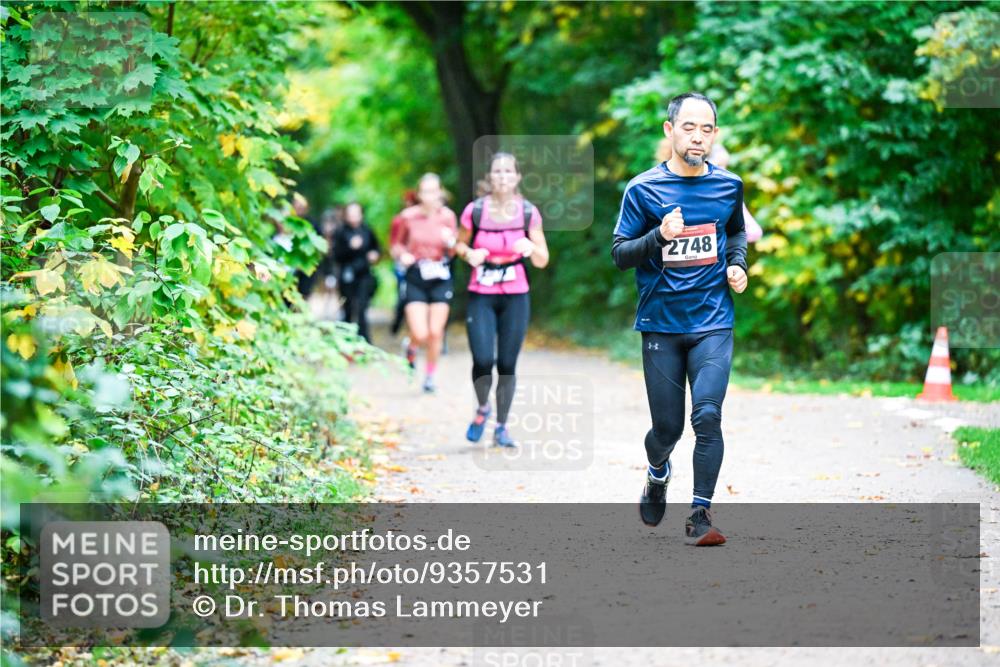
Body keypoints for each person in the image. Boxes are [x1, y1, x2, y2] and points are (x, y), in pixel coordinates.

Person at [612, 92, 749, 546]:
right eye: (689, 127)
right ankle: (657, 472)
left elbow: (735, 231)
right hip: (661, 325)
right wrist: (658, 236)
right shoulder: (642, 189)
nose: (698, 136)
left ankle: (700, 514)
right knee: (668, 429)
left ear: (715, 135)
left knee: (708, 416)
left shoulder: (729, 185)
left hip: (712, 321)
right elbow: (619, 254)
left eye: (707, 129)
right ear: (670, 131)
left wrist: (737, 264)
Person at [454, 153, 550, 448]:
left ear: (517, 177)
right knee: (483, 359)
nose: (503, 176)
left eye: (509, 171)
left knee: (507, 363)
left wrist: (530, 245)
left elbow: (543, 259)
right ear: (490, 177)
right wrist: (469, 254)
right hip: (482, 293)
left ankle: (502, 427)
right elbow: (459, 243)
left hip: (515, 295)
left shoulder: (528, 213)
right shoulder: (476, 211)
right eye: (497, 171)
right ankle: (483, 407)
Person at [390, 173, 457, 393]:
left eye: (434, 191)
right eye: (425, 191)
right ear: (419, 194)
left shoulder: (448, 217)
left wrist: (451, 243)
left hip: (439, 275)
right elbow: (396, 246)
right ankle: (411, 347)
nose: (430, 196)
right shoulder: (407, 217)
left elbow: (456, 249)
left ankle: (429, 376)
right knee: (420, 333)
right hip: (416, 276)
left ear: (440, 192)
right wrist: (403, 256)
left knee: (435, 332)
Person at [334, 202, 380, 343]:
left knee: (362, 308)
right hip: (347, 275)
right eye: (351, 214)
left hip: (364, 275)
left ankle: (364, 341)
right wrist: (350, 247)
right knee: (348, 308)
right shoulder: (341, 232)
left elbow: (377, 248)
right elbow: (336, 255)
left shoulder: (367, 230)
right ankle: (346, 340)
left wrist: (374, 255)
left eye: (356, 213)